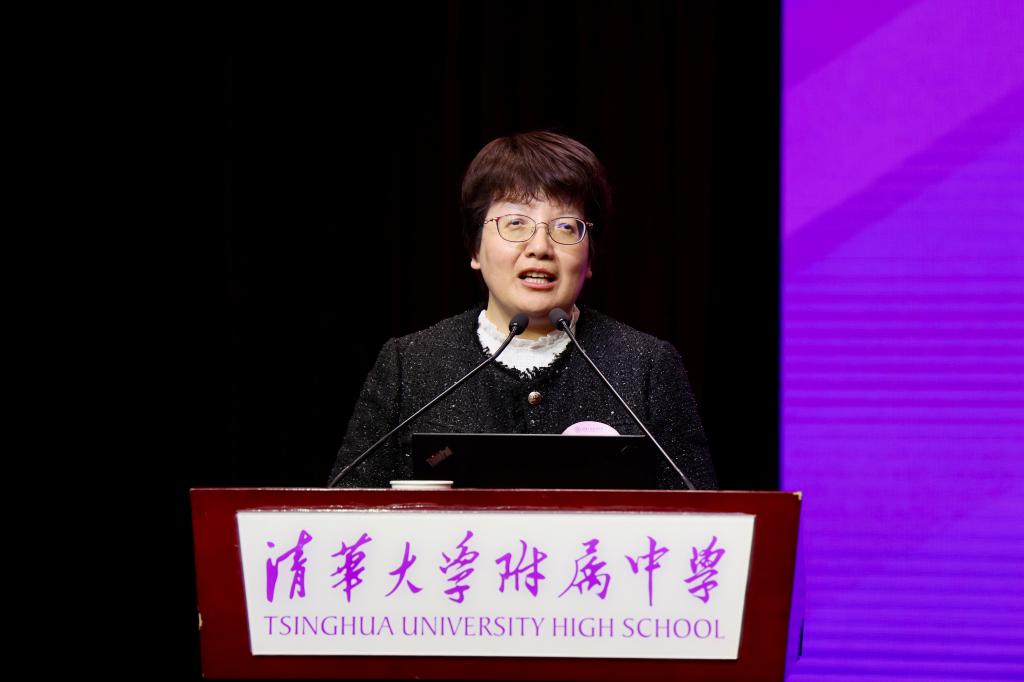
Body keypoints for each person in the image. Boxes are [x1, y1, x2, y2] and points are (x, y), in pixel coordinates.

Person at [328, 131, 717, 489]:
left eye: (565, 227)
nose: (540, 247)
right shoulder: (409, 364)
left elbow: (701, 519)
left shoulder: (646, 367)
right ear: (475, 248)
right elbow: (344, 513)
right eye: (516, 223)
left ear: (590, 257)